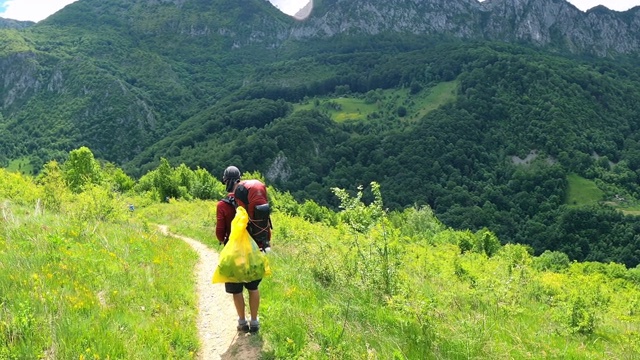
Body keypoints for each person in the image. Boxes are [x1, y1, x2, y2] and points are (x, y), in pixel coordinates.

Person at [215, 165, 272, 333]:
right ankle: (254, 322)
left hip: (234, 255)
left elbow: (220, 234)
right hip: (254, 252)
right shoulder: (251, 200)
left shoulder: (222, 205)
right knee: (253, 288)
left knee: (236, 289)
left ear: (225, 181)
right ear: (240, 180)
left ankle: (242, 321)